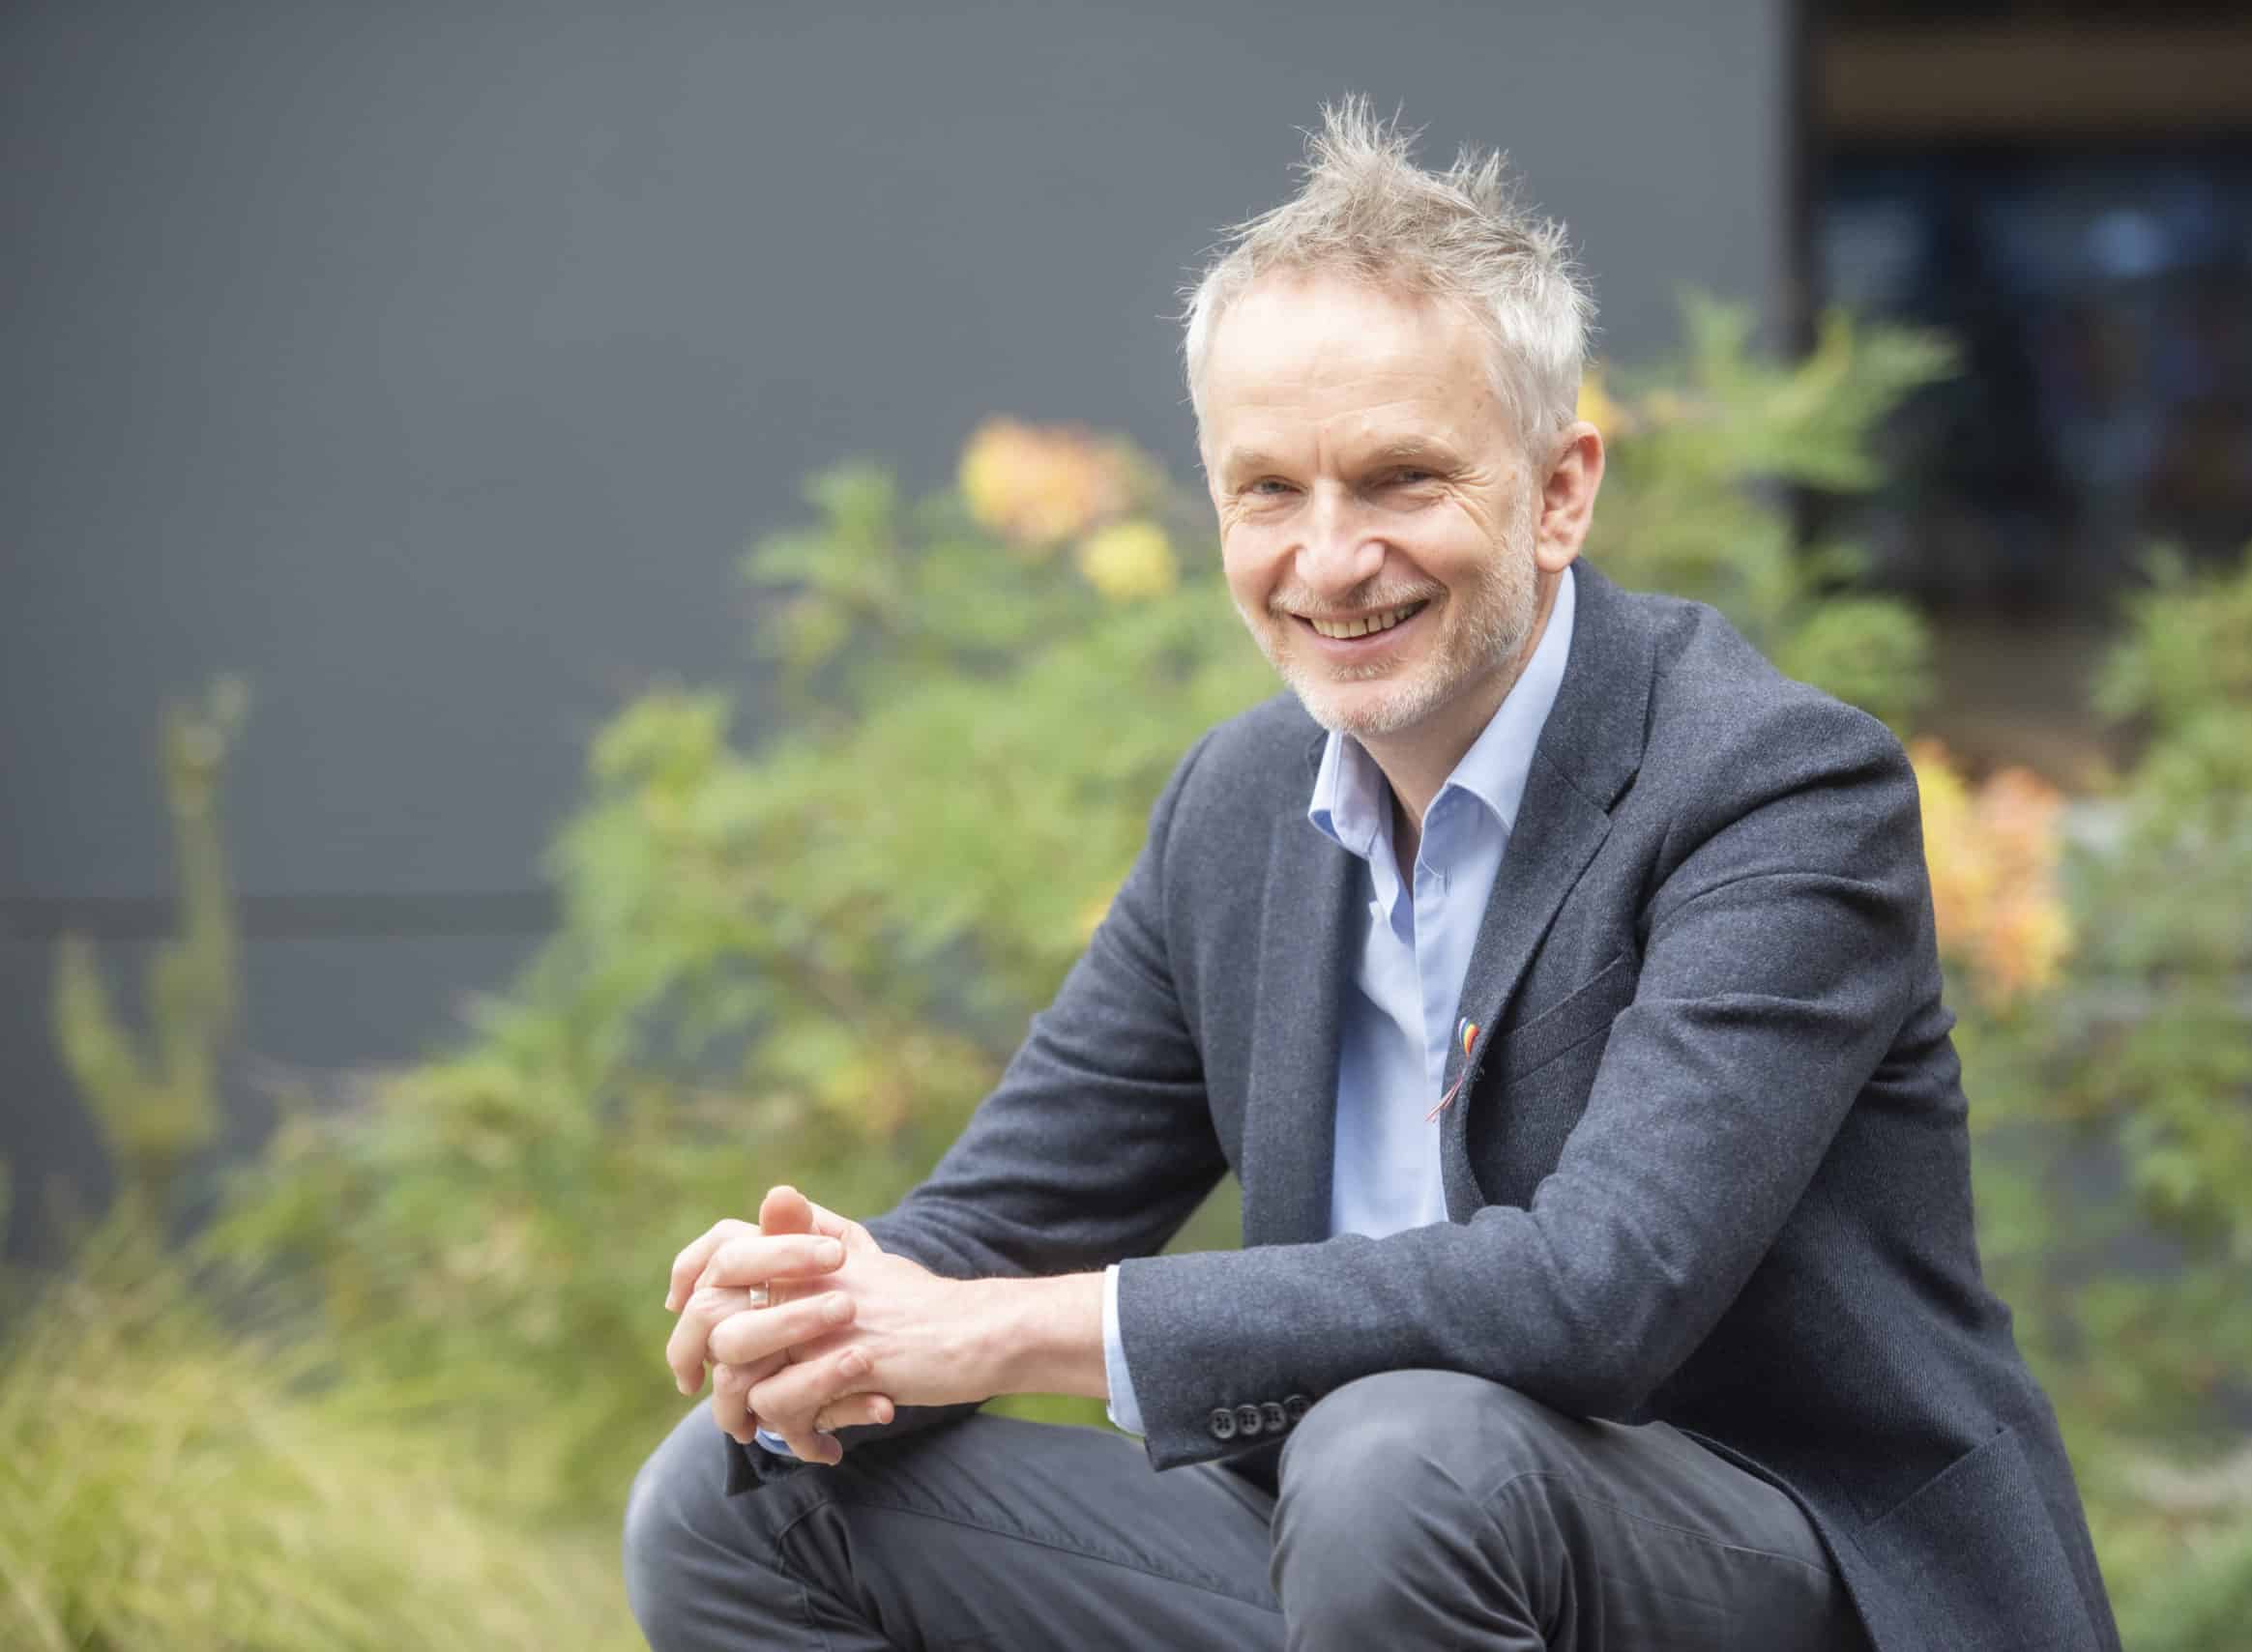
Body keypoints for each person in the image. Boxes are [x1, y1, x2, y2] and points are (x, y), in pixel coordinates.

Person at [622, 97, 2120, 1652]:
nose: (1329, 560)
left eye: (1401, 479)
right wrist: (820, 1311)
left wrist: (994, 1326)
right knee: (736, 1500)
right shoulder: (1238, 805)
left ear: (1559, 492)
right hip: (1365, 1558)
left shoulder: (1773, 785)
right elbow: (996, 1225)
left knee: (1397, 1452)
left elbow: (1596, 1294)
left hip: (1782, 1571)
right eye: (1269, 490)